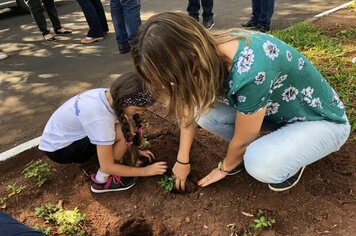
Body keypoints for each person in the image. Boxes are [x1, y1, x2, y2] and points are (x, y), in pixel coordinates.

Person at [131, 12, 351, 192]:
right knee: (204, 111)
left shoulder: (250, 71)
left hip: (321, 122)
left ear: (191, 58)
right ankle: (277, 145)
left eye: (172, 78)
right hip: (280, 114)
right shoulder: (211, 51)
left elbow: (243, 140)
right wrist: (182, 160)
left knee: (258, 163)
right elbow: (190, 107)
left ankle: (287, 160)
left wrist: (225, 167)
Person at [39, 73, 167, 193]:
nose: (140, 113)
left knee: (124, 130)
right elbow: (108, 166)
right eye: (138, 109)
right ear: (126, 103)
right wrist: (145, 171)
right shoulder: (100, 119)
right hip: (61, 150)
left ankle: (99, 158)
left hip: (58, 139)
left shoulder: (108, 95)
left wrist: (135, 151)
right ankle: (101, 180)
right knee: (123, 134)